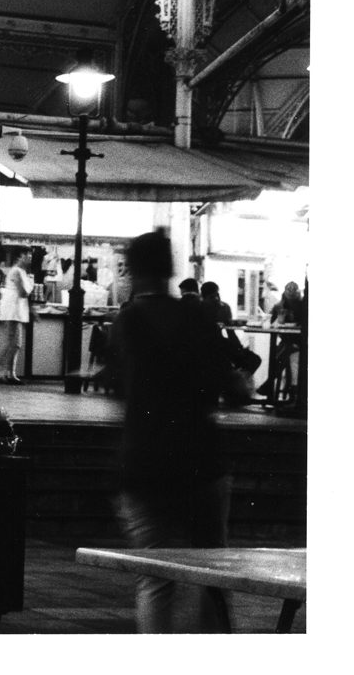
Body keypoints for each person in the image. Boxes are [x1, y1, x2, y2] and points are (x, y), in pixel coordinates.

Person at [107, 230, 233, 633]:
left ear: (134, 271)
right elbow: (222, 380)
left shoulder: (127, 321)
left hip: (145, 462)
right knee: (213, 572)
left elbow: (119, 383)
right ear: (170, 268)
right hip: (201, 459)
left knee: (156, 577)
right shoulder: (197, 316)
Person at [0, 248, 33, 385]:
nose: (30, 258)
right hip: (12, 309)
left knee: (15, 343)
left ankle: (9, 372)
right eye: (27, 255)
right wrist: (30, 286)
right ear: (20, 257)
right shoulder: (17, 272)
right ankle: (0, 370)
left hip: (17, 310)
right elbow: (23, 292)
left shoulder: (22, 272)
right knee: (11, 342)